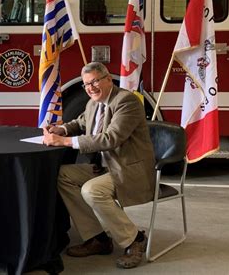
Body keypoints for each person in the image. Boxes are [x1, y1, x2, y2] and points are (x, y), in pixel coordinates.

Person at [42, 62, 155, 269]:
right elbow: (81, 122)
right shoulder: (94, 102)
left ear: (108, 80)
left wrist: (65, 142)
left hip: (128, 169)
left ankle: (134, 239)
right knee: (62, 175)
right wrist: (62, 130)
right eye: (86, 84)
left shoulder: (127, 101)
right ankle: (98, 239)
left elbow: (111, 138)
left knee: (92, 190)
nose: (90, 88)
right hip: (105, 167)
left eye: (95, 81)